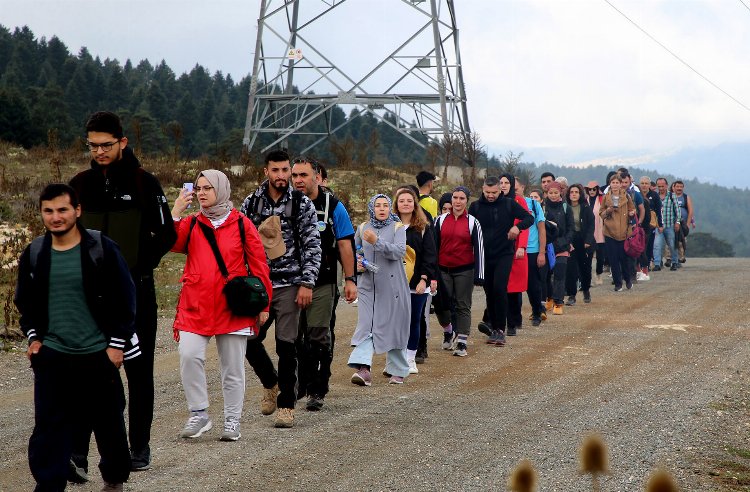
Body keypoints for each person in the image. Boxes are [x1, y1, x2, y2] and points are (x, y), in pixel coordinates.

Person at [69, 111, 176, 474]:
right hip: (87, 298)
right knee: (87, 373)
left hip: (136, 295)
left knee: (138, 372)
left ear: (122, 143)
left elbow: (167, 235)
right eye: (93, 145)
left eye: (106, 145)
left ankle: (139, 448)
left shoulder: (146, 184)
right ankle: (78, 454)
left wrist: (135, 267)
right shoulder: (79, 185)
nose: (99, 151)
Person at [16, 184, 137, 492]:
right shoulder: (35, 253)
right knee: (48, 429)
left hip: (98, 353)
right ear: (42, 213)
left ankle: (114, 480)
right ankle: (49, 484)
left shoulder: (101, 248)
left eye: (62, 210)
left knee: (108, 424)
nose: (56, 217)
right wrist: (34, 339)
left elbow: (126, 298)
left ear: (77, 211)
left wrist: (116, 345)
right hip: (54, 355)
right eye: (49, 211)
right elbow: (26, 303)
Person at [169, 170, 271, 441]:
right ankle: (199, 413)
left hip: (232, 306)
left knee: (233, 367)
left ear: (222, 190)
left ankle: (232, 420)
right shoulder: (191, 224)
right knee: (189, 356)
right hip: (195, 304)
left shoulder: (241, 224)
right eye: (199, 188)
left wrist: (264, 305)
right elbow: (171, 243)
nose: (202, 193)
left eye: (208, 188)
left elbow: (259, 265)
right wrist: (176, 213)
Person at [240, 150, 322, 428]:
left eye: (285, 170)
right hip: (257, 286)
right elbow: (239, 242)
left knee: (287, 346)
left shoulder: (301, 203)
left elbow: (312, 245)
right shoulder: (251, 203)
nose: (282, 176)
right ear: (266, 172)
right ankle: (270, 382)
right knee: (247, 340)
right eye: (275, 170)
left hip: (289, 285)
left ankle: (286, 405)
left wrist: (307, 282)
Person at [290, 157, 357, 411]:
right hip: (292, 283)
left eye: (304, 175)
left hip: (323, 282)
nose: (298, 180)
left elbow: (345, 245)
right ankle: (300, 383)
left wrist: (350, 280)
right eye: (294, 175)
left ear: (317, 177)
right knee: (294, 338)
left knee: (318, 335)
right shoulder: (286, 203)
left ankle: (319, 387)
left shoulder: (334, 206)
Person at [349, 194, 411, 385]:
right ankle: (364, 369)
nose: (382, 209)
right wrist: (357, 263)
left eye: (386, 205)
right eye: (378, 206)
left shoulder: (398, 227)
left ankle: (397, 370)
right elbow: (354, 249)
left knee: (394, 326)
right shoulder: (362, 227)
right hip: (368, 286)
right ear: (372, 208)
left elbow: (399, 252)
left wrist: (377, 241)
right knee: (366, 325)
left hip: (393, 286)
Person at [434, 186, 485, 356]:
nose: (457, 201)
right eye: (455, 198)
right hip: (442, 270)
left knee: (463, 305)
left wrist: (480, 274)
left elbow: (479, 249)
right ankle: (448, 331)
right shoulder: (439, 221)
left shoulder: (473, 222)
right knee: (442, 305)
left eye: (461, 198)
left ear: (467, 201)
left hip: (465, 270)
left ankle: (462, 342)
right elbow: (433, 247)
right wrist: (431, 271)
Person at [394, 187, 437, 374]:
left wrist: (424, 279)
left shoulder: (423, 227)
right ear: (396, 204)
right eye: (402, 201)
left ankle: (411, 358)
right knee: (396, 322)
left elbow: (430, 256)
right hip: (394, 283)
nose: (405, 204)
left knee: (414, 320)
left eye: (409, 201)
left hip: (417, 284)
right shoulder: (390, 226)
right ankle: (397, 357)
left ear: (414, 204)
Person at [542, 182, 574, 314]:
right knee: (547, 275)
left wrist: (564, 241)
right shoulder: (542, 208)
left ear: (560, 192)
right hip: (547, 246)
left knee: (560, 274)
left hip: (562, 246)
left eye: (556, 192)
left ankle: (558, 302)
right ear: (546, 194)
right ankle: (549, 298)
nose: (553, 195)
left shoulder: (566, 207)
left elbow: (571, 228)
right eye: (551, 193)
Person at [600, 174, 636, 291]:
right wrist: (608, 211)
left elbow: (632, 209)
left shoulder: (627, 196)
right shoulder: (606, 197)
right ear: (610, 184)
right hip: (610, 232)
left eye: (617, 183)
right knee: (613, 259)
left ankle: (628, 279)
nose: (615, 185)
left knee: (624, 258)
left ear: (621, 184)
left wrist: (631, 214)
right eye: (613, 183)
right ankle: (617, 283)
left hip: (624, 231)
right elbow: (601, 213)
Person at [564, 184, 595, 305]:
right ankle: (572, 295)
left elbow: (591, 224)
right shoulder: (565, 207)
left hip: (585, 241)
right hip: (571, 240)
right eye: (571, 192)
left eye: (576, 192)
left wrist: (588, 240)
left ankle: (586, 290)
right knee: (571, 269)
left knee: (585, 268)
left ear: (580, 194)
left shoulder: (586, 207)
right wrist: (567, 241)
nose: (574, 194)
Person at [521, 184, 547, 325]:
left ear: (522, 188)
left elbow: (542, 229)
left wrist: (541, 252)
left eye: (514, 187)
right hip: (512, 251)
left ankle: (537, 310)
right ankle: (513, 317)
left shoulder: (533, 205)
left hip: (532, 249)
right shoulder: (507, 204)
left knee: (533, 284)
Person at [652, 178, 681, 272]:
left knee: (672, 245)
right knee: (657, 245)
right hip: (658, 226)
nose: (661, 188)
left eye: (662, 186)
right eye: (659, 186)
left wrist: (678, 222)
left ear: (666, 185)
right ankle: (657, 263)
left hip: (669, 225)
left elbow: (678, 211)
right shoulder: (655, 196)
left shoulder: (672, 196)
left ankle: (674, 262)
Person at [639, 175, 662, 279]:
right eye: (642, 183)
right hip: (639, 224)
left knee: (648, 246)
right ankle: (639, 267)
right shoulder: (637, 195)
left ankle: (646, 267)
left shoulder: (654, 195)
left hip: (650, 225)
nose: (644, 185)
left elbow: (659, 211)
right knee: (639, 247)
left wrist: (660, 225)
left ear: (649, 185)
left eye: (646, 183)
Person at [585, 181, 606, 285]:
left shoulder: (602, 200)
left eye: (594, 189)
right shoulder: (585, 201)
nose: (592, 191)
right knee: (588, 257)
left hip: (600, 231)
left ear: (597, 190)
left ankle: (599, 274)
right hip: (589, 233)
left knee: (600, 257)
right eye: (590, 189)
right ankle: (589, 278)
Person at [671, 180, 694, 265]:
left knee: (682, 240)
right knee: (671, 240)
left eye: (681, 187)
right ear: (674, 187)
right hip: (671, 222)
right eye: (677, 186)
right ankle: (671, 259)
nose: (679, 188)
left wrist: (688, 224)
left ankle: (681, 257)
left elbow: (690, 211)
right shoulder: (670, 196)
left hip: (683, 223)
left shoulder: (686, 197)